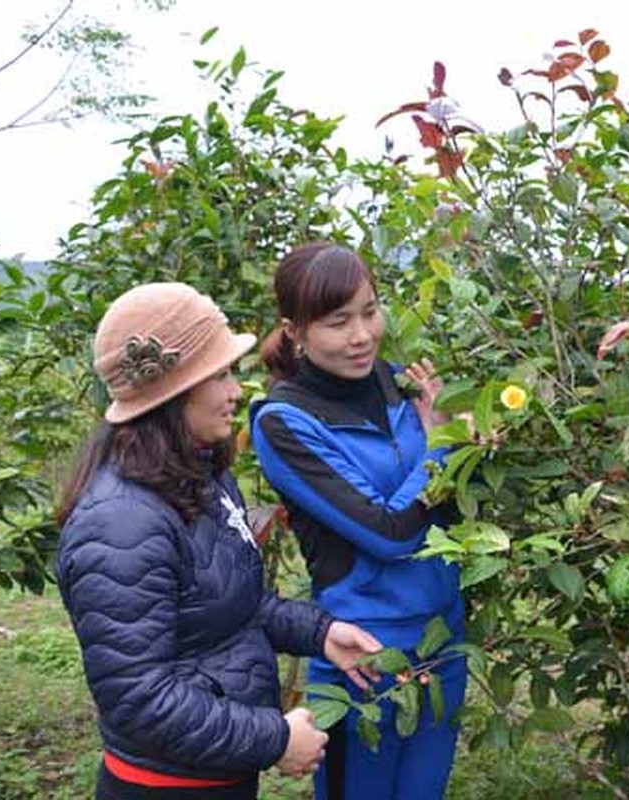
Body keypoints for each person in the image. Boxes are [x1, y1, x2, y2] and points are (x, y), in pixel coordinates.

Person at [57, 283, 385, 800]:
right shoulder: (118, 525)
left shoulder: (197, 477)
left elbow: (234, 603)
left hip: (218, 773)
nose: (236, 390)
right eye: (220, 374)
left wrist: (318, 632)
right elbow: (139, 700)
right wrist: (275, 738)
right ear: (172, 390)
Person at [250, 243, 465, 800]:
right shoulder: (285, 421)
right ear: (295, 331)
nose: (362, 335)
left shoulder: (401, 382)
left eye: (370, 311)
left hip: (442, 641)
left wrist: (474, 443)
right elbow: (387, 533)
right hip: (363, 656)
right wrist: (444, 444)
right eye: (338, 322)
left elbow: (451, 512)